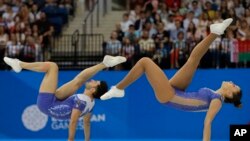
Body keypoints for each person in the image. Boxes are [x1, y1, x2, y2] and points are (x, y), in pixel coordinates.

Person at [100, 18, 243, 141]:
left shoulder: (217, 100)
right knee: (193, 60)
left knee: (145, 61)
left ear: (230, 94)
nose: (232, 82)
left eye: (234, 86)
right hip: (178, 91)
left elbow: (208, 122)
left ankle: (118, 89)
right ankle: (215, 32)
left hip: (170, 96)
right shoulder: (215, 94)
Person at [3, 55, 126, 141]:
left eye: (95, 82)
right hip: (57, 101)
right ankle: (105, 63)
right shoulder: (91, 103)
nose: (93, 80)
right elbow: (87, 123)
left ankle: (19, 64)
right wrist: (87, 140)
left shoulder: (81, 101)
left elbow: (73, 122)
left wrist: (70, 139)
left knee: (52, 67)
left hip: (47, 104)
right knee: (78, 81)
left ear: (93, 90)